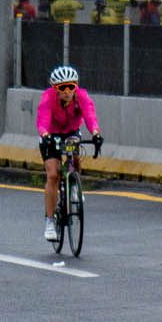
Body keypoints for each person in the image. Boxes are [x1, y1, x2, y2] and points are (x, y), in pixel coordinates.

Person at [35, 63, 101, 244]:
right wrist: (45, 135)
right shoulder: (47, 98)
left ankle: (74, 187)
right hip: (51, 134)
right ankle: (50, 221)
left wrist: (96, 133)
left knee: (75, 157)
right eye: (62, 88)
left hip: (71, 131)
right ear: (55, 89)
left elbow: (89, 115)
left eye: (71, 87)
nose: (67, 92)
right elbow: (43, 120)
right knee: (53, 174)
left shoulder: (81, 96)